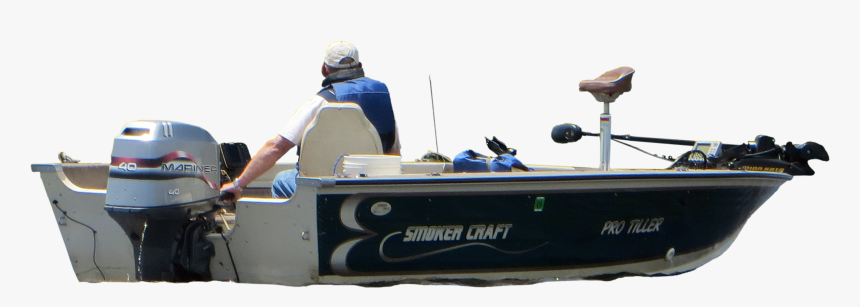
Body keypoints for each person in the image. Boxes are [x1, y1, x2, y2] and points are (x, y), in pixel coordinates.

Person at [220, 41, 400, 199]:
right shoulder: (382, 96)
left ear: (324, 69)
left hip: (325, 187)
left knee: (281, 180)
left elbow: (276, 147)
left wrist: (238, 184)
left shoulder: (321, 101)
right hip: (371, 186)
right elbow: (394, 151)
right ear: (360, 65)